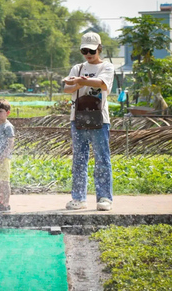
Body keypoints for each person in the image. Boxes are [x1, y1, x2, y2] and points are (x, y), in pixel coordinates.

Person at [63, 32, 114, 211]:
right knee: (79, 159)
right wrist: (79, 82)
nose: (88, 54)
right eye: (85, 50)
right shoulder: (77, 68)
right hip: (78, 117)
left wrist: (81, 82)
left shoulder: (107, 67)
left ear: (99, 49)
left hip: (100, 118)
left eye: (91, 50)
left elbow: (103, 83)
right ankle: (78, 198)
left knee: (102, 159)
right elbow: (67, 88)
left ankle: (105, 198)